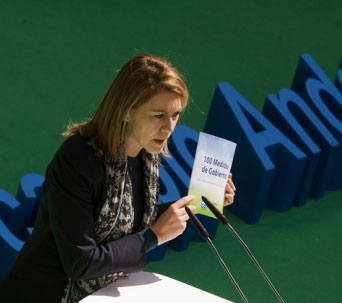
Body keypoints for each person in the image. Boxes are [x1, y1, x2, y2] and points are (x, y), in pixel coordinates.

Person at [0, 54, 236, 302]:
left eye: (175, 114)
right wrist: (154, 236)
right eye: (158, 115)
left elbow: (125, 220)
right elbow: (81, 261)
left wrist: (198, 204)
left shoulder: (147, 151)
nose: (170, 128)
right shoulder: (77, 160)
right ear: (126, 111)